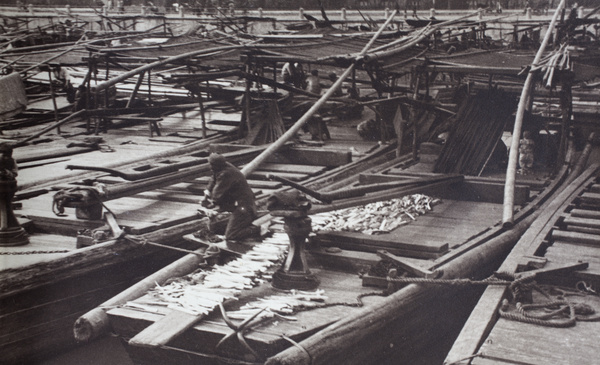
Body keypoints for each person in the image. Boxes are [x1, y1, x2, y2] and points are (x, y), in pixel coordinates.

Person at [202, 153, 260, 242]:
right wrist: (206, 195)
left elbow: (217, 195)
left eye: (211, 165)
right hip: (236, 202)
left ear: (216, 165)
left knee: (231, 235)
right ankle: (241, 222)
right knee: (216, 226)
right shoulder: (223, 165)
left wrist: (210, 204)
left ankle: (257, 229)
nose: (210, 167)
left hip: (244, 205)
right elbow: (213, 178)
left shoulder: (226, 173)